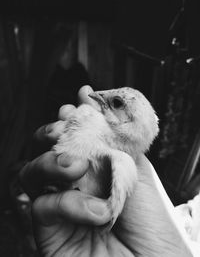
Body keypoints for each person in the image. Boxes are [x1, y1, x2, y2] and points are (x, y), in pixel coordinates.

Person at [20, 86, 195, 257]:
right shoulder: (92, 119)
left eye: (117, 103)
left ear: (129, 123)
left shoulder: (123, 163)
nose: (99, 94)